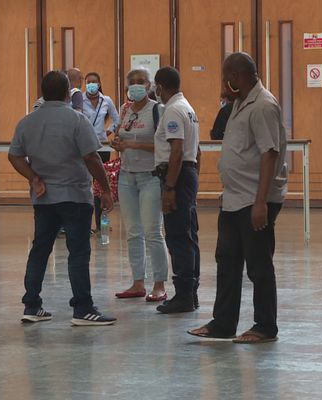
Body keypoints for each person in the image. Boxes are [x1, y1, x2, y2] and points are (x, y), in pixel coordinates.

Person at [188, 52, 288, 343]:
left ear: (235, 77)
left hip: (255, 199)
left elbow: (269, 154)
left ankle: (265, 326)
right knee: (227, 260)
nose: (222, 82)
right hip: (233, 197)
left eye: (224, 77)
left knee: (258, 264)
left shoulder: (263, 106)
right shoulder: (239, 103)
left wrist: (261, 202)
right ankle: (223, 323)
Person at [8, 70, 117, 326]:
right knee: (78, 252)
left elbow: (14, 156)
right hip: (75, 196)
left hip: (44, 198)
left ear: (43, 92)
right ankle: (83, 309)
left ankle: (32, 305)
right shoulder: (77, 120)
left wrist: (33, 177)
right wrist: (106, 189)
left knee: (40, 250)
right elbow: (92, 157)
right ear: (69, 92)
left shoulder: (27, 122)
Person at [110, 68, 170, 302]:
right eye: (131, 82)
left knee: (152, 231)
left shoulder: (157, 110)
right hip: (126, 176)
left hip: (150, 176)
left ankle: (159, 283)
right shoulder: (125, 110)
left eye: (141, 82)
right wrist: (115, 142)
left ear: (150, 85)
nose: (136, 85)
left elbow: (164, 145)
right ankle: (137, 282)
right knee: (133, 232)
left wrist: (133, 146)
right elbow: (119, 136)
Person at [153, 66, 201, 314]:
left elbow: (177, 150)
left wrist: (170, 187)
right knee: (189, 235)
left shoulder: (172, 110)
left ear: (160, 87)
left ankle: (183, 295)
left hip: (177, 176)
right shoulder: (188, 108)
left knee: (178, 237)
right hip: (187, 174)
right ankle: (190, 292)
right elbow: (196, 150)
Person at [82, 72, 120, 232]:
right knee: (85, 183)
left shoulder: (107, 100)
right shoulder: (79, 100)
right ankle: (84, 224)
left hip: (102, 146)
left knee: (100, 184)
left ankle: (100, 223)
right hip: (84, 146)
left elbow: (117, 119)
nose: (91, 84)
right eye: (88, 82)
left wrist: (109, 132)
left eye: (94, 82)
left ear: (99, 84)